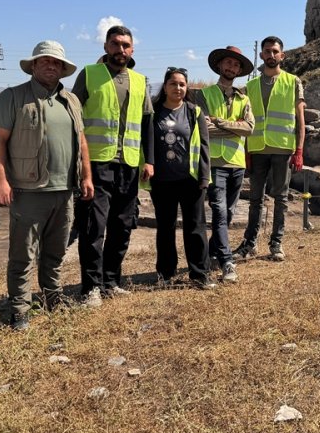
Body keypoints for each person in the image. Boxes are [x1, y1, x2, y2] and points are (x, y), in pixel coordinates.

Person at [0, 41, 92, 330]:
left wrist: (86, 177)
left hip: (65, 190)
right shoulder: (14, 97)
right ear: (33, 65)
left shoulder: (71, 100)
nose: (51, 66)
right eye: (45, 61)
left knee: (56, 251)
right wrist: (1, 180)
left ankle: (52, 296)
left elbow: (81, 141)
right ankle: (20, 308)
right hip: (28, 190)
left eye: (57, 63)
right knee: (23, 254)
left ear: (62, 69)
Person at [71, 25, 154, 306]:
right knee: (94, 226)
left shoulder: (140, 81)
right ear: (106, 46)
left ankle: (110, 281)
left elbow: (146, 125)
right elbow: (74, 119)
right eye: (115, 44)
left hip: (129, 164)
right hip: (96, 163)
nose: (121, 50)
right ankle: (91, 287)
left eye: (126, 45)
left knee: (122, 225)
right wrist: (80, 166)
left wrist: (150, 160)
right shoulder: (89, 74)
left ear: (132, 49)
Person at [234, 36, 306, 262]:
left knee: (281, 198)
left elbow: (300, 120)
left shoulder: (293, 81)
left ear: (282, 55)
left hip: (283, 148)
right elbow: (243, 121)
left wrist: (299, 150)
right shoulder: (250, 86)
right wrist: (245, 151)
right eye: (267, 51)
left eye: (275, 51)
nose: (271, 55)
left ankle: (276, 243)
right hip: (257, 149)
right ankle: (250, 242)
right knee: (255, 199)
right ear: (261, 55)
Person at [145, 67, 214, 289]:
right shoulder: (153, 112)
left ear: (187, 87)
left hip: (190, 180)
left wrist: (204, 177)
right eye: (173, 83)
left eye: (182, 84)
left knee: (195, 227)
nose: (178, 88)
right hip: (162, 181)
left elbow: (203, 146)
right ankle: (165, 273)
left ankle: (200, 273)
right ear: (164, 86)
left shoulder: (194, 112)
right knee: (165, 228)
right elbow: (146, 142)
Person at [192, 46, 254, 283]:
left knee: (226, 214)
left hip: (237, 163)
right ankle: (227, 261)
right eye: (228, 63)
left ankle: (207, 254)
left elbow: (249, 129)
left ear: (239, 70)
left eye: (236, 65)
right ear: (219, 65)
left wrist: (218, 121)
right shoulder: (204, 95)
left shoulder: (244, 97)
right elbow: (204, 129)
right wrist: (232, 127)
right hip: (214, 163)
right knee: (219, 212)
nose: (231, 67)